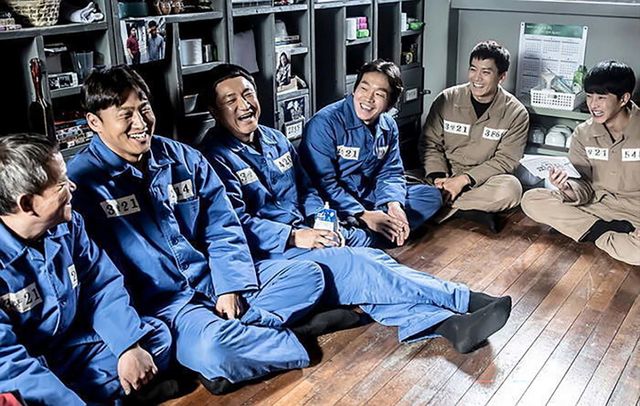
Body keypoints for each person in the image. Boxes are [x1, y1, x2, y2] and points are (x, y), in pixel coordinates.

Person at [66, 65, 356, 395]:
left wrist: (229, 286)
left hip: (215, 282)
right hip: (170, 307)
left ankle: (238, 341)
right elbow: (96, 278)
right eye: (126, 115)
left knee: (310, 275)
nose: (141, 122)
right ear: (94, 122)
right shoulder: (81, 184)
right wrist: (127, 341)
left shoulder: (183, 157)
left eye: (144, 108)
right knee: (214, 350)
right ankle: (287, 336)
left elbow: (222, 226)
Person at [201, 63, 513, 354]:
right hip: (272, 252)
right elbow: (232, 226)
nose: (244, 105)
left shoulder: (275, 139)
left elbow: (307, 188)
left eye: (248, 94)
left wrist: (324, 224)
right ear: (215, 111)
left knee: (366, 274)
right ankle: (465, 298)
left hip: (311, 232)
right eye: (231, 100)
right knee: (363, 262)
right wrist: (296, 237)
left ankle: (450, 326)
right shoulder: (212, 158)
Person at [0, 133, 173, 404]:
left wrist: (128, 345)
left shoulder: (69, 225)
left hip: (70, 350)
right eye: (60, 184)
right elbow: (7, 361)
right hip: (23, 371)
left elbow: (100, 285)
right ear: (27, 204)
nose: (72, 186)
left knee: (156, 336)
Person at [300, 59, 442, 247]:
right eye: (364, 88)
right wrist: (363, 214)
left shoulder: (388, 125)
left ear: (390, 103)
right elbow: (323, 183)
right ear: (354, 90)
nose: (368, 98)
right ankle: (371, 232)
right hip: (333, 201)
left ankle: (370, 233)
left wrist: (394, 205)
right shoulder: (324, 123)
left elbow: (391, 172)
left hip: (370, 196)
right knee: (321, 216)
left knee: (431, 196)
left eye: (379, 94)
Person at [521, 60, 640, 266]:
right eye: (589, 96)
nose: (593, 105)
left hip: (636, 213)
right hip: (596, 207)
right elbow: (583, 186)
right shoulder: (583, 133)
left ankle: (589, 231)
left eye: (601, 97)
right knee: (531, 199)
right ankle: (602, 232)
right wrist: (567, 186)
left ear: (624, 99)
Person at [419, 40, 529, 232]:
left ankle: (439, 204)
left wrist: (463, 180)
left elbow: (506, 160)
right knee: (399, 181)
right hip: (443, 174)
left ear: (501, 76)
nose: (477, 78)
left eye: (486, 72)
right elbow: (430, 144)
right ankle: (464, 209)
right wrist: (438, 177)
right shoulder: (447, 99)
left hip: (482, 181)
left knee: (511, 190)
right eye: (473, 69)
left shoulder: (516, 113)